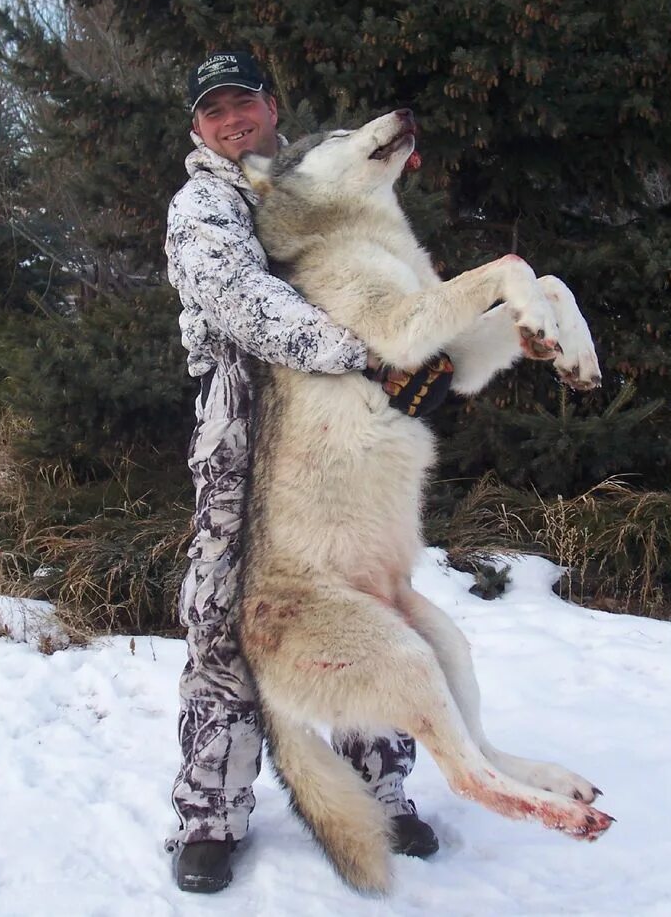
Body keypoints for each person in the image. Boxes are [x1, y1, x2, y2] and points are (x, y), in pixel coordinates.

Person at [164, 51, 452, 894]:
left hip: (340, 437)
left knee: (362, 599)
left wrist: (392, 156)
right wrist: (364, 353)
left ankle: (383, 789)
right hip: (245, 444)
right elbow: (241, 300)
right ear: (198, 128)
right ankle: (211, 817)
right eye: (212, 111)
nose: (230, 121)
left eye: (240, 103)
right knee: (225, 621)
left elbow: (381, 235)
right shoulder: (204, 204)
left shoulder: (318, 164)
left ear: (270, 104)